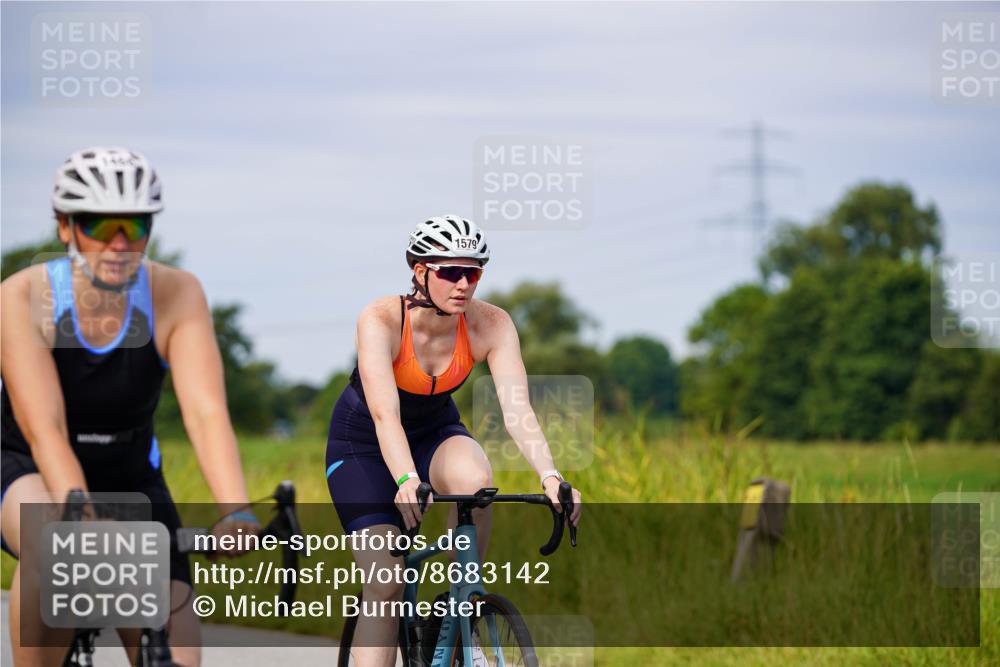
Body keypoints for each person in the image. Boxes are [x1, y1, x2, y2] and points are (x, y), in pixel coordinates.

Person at [0, 147, 259, 667]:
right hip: (29, 466)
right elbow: (45, 429)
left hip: (131, 473)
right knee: (56, 545)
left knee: (176, 650)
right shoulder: (22, 296)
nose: (118, 243)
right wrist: (83, 513)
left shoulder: (175, 292)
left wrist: (236, 510)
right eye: (99, 224)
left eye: (135, 226)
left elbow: (206, 413)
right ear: (66, 228)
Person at [325, 215, 583, 667]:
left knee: (477, 481)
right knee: (386, 581)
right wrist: (405, 477)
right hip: (363, 442)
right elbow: (386, 415)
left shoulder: (491, 324)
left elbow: (517, 410)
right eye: (451, 271)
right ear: (419, 271)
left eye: (474, 272)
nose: (464, 284)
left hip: (434, 430)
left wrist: (551, 476)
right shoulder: (381, 319)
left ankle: (459, 611)